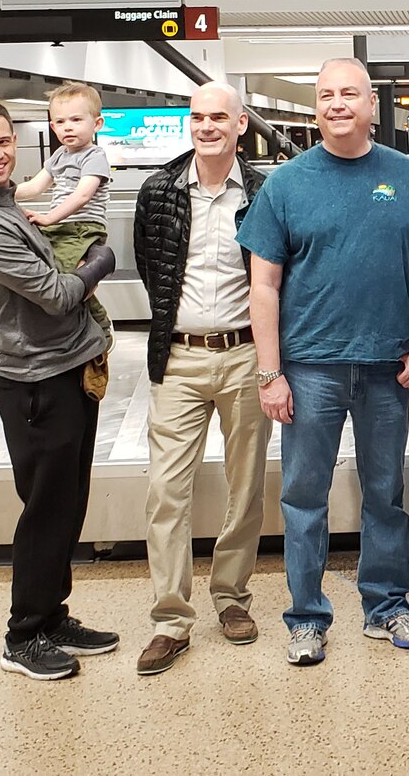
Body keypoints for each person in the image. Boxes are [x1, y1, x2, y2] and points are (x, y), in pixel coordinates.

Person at [237, 57, 409, 667]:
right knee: (304, 497)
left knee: (385, 493)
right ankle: (306, 617)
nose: (336, 104)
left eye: (349, 93)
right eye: (325, 95)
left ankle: (386, 607)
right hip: (310, 370)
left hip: (387, 368)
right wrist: (270, 373)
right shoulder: (286, 185)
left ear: (372, 104)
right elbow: (264, 285)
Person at [0, 97, 120, 681]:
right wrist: (102, 260)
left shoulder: (9, 204)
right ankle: (23, 636)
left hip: (68, 371)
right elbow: (55, 294)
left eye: (4, 141)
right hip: (35, 383)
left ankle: (51, 616)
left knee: (69, 503)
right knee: (46, 510)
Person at [130, 83, 271, 675]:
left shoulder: (266, 191)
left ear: (242, 125)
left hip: (245, 356)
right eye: (196, 117)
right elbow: (148, 263)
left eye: (218, 117)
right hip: (180, 358)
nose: (206, 126)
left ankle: (233, 599)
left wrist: (271, 365)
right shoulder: (159, 189)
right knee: (167, 489)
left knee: (245, 487)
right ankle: (170, 618)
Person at [15, 82, 116, 347]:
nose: (67, 126)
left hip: (83, 228)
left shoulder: (95, 156)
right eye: (60, 121)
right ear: (52, 127)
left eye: (76, 119)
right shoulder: (59, 155)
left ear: (97, 124)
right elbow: (35, 186)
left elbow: (82, 196)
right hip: (59, 228)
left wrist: (49, 218)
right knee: (42, 272)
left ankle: (99, 324)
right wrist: (4, 192)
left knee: (67, 278)